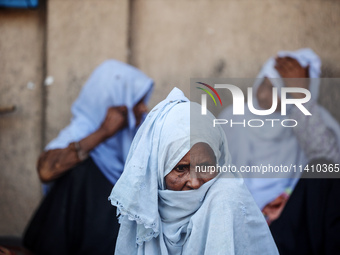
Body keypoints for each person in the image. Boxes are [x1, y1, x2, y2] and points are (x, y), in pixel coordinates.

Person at [108, 88, 279, 255]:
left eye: (205, 167)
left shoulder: (226, 201)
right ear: (157, 170)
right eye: (180, 168)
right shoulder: (144, 214)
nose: (195, 183)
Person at [23, 60, 153, 255]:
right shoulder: (82, 131)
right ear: (117, 102)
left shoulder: (140, 135)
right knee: (78, 171)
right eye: (137, 101)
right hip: (76, 238)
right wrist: (102, 133)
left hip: (112, 239)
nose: (144, 108)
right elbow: (46, 171)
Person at [218, 48, 340, 254]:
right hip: (239, 226)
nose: (264, 95)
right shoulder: (233, 119)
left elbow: (328, 169)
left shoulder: (311, 121)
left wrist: (303, 100)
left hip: (293, 227)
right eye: (264, 84)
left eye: (278, 89)